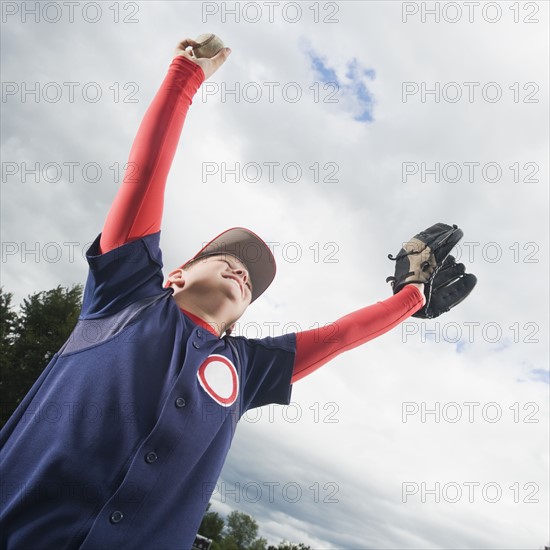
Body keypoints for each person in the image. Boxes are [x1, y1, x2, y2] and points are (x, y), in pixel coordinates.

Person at [0, 38, 427, 549]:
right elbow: (145, 177)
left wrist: (412, 298)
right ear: (176, 275)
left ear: (240, 317)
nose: (243, 271)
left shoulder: (247, 368)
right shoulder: (124, 294)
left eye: (251, 278)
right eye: (228, 258)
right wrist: (185, 75)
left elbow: (336, 337)